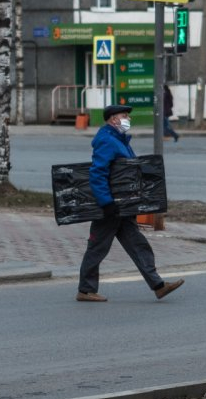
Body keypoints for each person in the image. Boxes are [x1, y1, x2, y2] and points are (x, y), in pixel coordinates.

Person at [76, 105, 184, 303]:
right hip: (110, 207)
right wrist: (106, 203)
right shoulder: (107, 141)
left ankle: (158, 286)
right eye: (125, 116)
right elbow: (98, 173)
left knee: (138, 244)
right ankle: (85, 290)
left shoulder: (119, 140)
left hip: (122, 207)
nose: (128, 119)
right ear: (113, 120)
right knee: (98, 247)